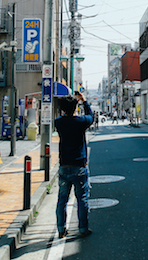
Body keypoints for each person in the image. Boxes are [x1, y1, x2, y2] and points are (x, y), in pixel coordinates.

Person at [54, 91, 93, 239]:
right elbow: (91, 116)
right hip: (79, 165)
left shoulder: (59, 123)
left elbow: (63, 116)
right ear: (75, 107)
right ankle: (83, 228)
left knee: (62, 199)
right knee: (82, 198)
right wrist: (84, 100)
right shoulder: (81, 122)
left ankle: (61, 229)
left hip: (64, 165)